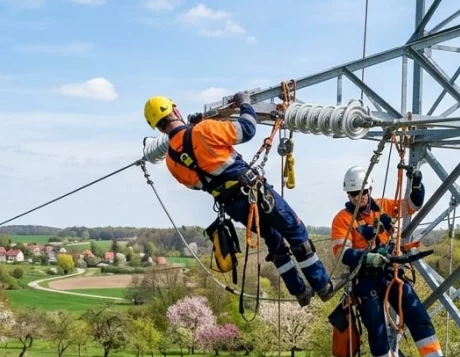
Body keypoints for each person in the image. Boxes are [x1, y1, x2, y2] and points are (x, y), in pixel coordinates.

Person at [143, 93, 334, 306]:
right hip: (255, 192)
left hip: (235, 206)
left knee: (274, 241)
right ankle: (322, 285)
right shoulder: (204, 130)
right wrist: (245, 104)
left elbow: (195, 184)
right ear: (176, 111)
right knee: (296, 231)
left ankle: (300, 292)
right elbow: (247, 130)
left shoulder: (171, 161)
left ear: (158, 128)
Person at [330, 164, 460, 357]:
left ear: (369, 189)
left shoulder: (383, 205)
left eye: (361, 193)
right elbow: (342, 253)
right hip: (366, 279)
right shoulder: (343, 219)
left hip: (390, 272)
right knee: (378, 333)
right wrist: (368, 257)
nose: (358, 199)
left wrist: (416, 185)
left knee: (418, 317)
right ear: (348, 195)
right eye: (353, 195)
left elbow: (411, 205)